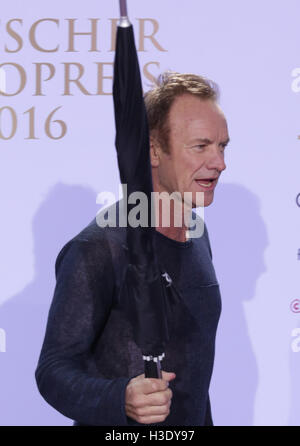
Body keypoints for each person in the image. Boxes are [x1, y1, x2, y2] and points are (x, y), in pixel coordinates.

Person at [35, 71, 230, 426]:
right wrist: (119, 398)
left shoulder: (198, 233)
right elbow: (52, 370)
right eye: (201, 146)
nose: (219, 163)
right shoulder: (98, 247)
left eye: (222, 146)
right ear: (154, 151)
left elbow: (193, 377)